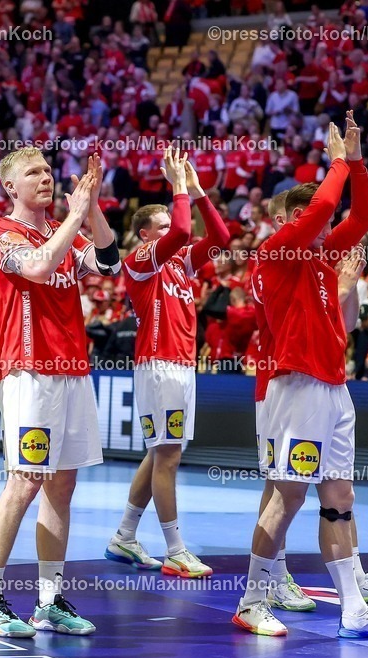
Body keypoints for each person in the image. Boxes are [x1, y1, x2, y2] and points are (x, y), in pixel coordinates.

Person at [235, 114, 368, 640]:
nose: (324, 226)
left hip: (335, 386)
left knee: (340, 499)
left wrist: (357, 163)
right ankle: (251, 600)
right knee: (287, 496)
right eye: (312, 216)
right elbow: (326, 209)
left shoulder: (318, 259)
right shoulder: (277, 254)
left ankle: (354, 609)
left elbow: (364, 216)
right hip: (299, 385)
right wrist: (335, 160)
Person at [0, 149, 119, 638]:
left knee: (62, 486)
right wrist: (74, 217)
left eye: (49, 171)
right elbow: (35, 267)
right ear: (10, 186)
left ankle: (49, 600)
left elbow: (109, 262)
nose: (46, 178)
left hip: (72, 368)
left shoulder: (64, 233)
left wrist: (90, 205)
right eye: (33, 172)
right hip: (30, 370)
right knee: (26, 481)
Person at [105, 147, 230, 578]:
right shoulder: (141, 261)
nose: (176, 231)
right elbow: (179, 230)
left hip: (179, 364)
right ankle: (176, 549)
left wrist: (197, 192)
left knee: (159, 452)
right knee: (169, 455)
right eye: (159, 226)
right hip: (159, 365)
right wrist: (177, 187)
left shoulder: (180, 263)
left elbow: (220, 239)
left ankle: (124, 536)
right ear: (145, 234)